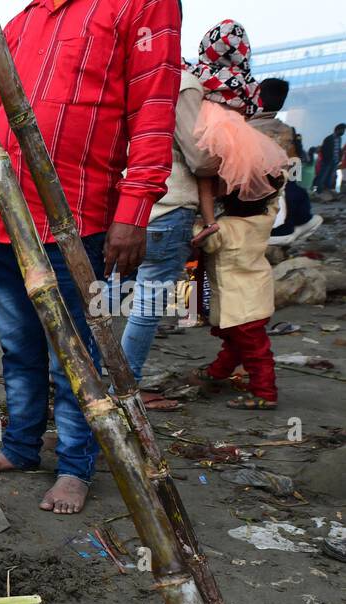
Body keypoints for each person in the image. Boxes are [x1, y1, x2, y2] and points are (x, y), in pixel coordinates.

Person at [0, 0, 181, 515]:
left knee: (75, 357)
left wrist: (133, 211)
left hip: (75, 226)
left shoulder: (139, 6)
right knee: (18, 351)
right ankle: (20, 447)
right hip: (2, 227)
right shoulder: (15, 25)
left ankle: (74, 467)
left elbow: (152, 115)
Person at [184, 20, 285, 412]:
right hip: (243, 137)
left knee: (251, 343)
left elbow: (205, 233)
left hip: (215, 133)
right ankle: (220, 371)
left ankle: (266, 392)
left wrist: (204, 220)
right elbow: (270, 195)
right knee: (239, 337)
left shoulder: (202, 76)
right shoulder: (263, 218)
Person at [118, 57, 216, 393]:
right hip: (169, 206)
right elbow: (201, 158)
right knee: (146, 305)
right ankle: (124, 390)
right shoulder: (182, 83)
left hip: (128, 210)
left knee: (108, 296)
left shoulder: (129, 79)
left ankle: (95, 382)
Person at [253, 79, 322, 247]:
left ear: (256, 98)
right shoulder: (288, 131)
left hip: (252, 201)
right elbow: (295, 164)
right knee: (293, 191)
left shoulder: (244, 127)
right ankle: (290, 228)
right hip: (282, 193)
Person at [313, 123, 344, 195]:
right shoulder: (328, 138)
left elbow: (338, 149)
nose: (343, 132)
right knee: (322, 176)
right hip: (327, 162)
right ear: (337, 130)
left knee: (330, 177)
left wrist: (339, 159)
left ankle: (327, 191)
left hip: (335, 162)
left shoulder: (339, 138)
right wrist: (326, 160)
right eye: (342, 130)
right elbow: (324, 150)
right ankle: (318, 191)